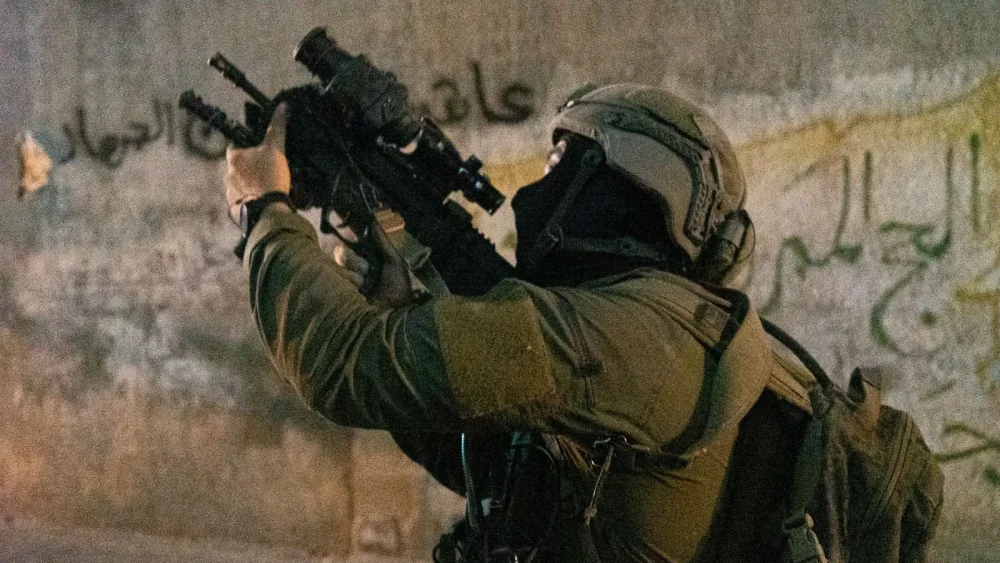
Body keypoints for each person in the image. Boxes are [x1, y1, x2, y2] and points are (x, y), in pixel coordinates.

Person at [223, 84, 786, 563]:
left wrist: (265, 210)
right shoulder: (662, 324)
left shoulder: (618, 338)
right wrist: (400, 310)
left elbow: (348, 363)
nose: (538, 191)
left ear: (628, 191)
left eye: (561, 165)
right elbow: (507, 469)